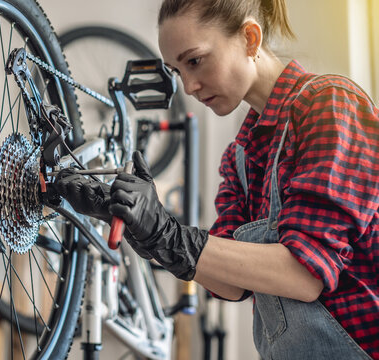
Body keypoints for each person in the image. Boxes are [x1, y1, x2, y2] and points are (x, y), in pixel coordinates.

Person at [53, 0, 379, 358]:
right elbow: (232, 285)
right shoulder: (240, 153)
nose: (189, 86)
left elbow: (305, 274)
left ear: (250, 38)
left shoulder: (329, 105)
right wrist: (146, 232)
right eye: (177, 71)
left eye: (195, 61)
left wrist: (170, 234)